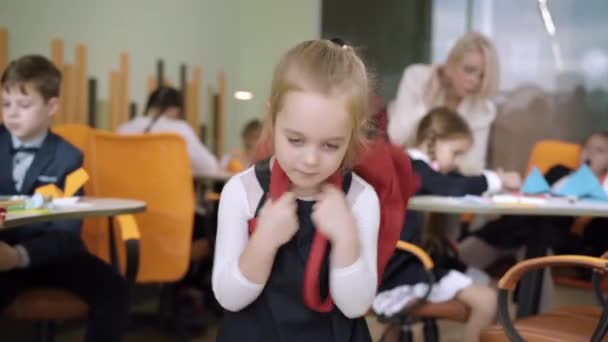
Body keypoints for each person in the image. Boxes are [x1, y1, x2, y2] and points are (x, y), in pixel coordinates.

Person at [212, 39, 380, 341]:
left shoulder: (360, 199)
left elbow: (355, 305)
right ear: (272, 118)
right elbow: (229, 297)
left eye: (331, 145)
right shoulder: (242, 192)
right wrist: (264, 240)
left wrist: (345, 237)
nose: (311, 160)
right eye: (296, 140)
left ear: (352, 135)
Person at [0, 55, 129, 342]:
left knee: (114, 289)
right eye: (6, 104)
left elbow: (68, 231)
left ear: (51, 106)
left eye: (24, 105)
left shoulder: (70, 157)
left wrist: (20, 257)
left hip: (53, 254)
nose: (12, 114)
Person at [375, 107, 521, 342]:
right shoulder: (410, 167)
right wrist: (498, 180)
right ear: (432, 141)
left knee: (493, 287)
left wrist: (495, 182)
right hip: (402, 271)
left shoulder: (424, 169)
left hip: (419, 261)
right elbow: (452, 186)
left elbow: (456, 181)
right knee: (489, 300)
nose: (456, 162)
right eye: (455, 153)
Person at [459, 131, 608, 270]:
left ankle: (521, 294)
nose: (590, 154)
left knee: (534, 257)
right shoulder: (559, 171)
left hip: (549, 233)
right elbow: (531, 191)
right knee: (466, 252)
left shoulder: (603, 186)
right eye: (587, 148)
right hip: (515, 225)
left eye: (600, 151)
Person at [388, 32, 500, 175]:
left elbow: (473, 167)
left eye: (482, 76)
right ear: (451, 61)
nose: (475, 81)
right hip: (406, 175)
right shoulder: (416, 77)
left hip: (451, 186)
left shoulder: (484, 109)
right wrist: (428, 97)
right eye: (469, 70)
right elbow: (397, 137)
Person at [117, 86, 220, 178]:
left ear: (149, 105)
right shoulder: (180, 129)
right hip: (168, 197)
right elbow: (208, 167)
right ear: (176, 109)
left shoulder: (124, 129)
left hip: (127, 197)